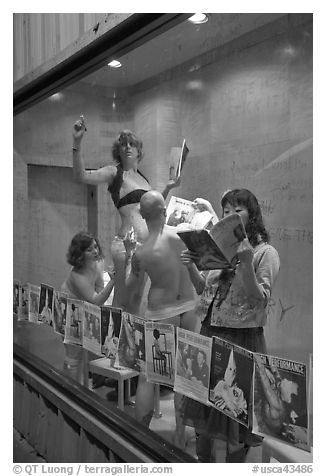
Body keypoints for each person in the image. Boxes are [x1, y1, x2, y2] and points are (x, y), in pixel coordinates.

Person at [180, 188, 280, 463]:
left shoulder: (265, 253)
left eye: (238, 211)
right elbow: (204, 289)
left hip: (241, 338)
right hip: (211, 331)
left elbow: (259, 300)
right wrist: (191, 266)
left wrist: (246, 263)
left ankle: (233, 464)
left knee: (235, 408)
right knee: (206, 406)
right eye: (226, 212)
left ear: (252, 215)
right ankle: (204, 461)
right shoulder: (221, 249)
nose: (230, 216)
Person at [72, 115, 180, 311]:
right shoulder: (114, 172)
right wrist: (77, 142)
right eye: (123, 144)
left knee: (136, 300)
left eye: (132, 144)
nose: (127, 147)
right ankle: (112, 340)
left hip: (146, 245)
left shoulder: (143, 178)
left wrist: (168, 188)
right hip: (125, 246)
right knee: (122, 299)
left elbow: (152, 206)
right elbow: (80, 176)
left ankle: (129, 341)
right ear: (118, 151)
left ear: (139, 151)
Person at [124, 190, 200, 448]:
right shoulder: (182, 236)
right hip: (188, 307)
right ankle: (179, 437)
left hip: (161, 312)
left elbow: (132, 289)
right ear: (165, 211)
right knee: (183, 376)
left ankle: (139, 435)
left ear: (143, 216)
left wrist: (128, 257)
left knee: (148, 375)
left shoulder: (142, 253)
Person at [61, 231, 114, 306]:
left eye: (96, 247)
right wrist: (112, 281)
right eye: (89, 250)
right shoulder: (76, 275)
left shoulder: (98, 261)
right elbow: (96, 301)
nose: (95, 252)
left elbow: (99, 287)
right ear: (80, 254)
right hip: (69, 306)